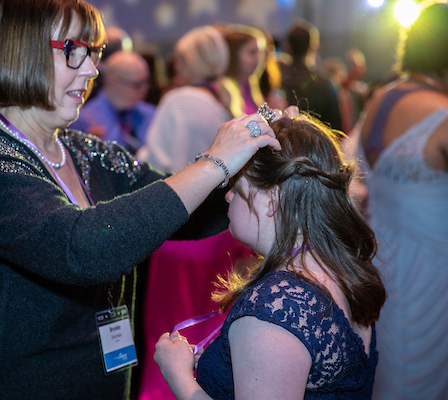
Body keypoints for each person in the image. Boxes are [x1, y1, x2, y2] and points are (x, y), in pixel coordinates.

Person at [0, 1, 281, 398]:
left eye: (94, 52)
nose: (91, 69)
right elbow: (83, 249)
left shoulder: (84, 151)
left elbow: (188, 213)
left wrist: (266, 152)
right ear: (22, 49)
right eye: (73, 50)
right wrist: (215, 162)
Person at [154, 109, 386, 399]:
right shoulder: (341, 270)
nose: (227, 194)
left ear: (273, 200)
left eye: (238, 180)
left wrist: (178, 375)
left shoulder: (278, 307)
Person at [134, 25, 253, 400]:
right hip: (219, 233)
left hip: (180, 233)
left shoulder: (180, 99)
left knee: (171, 330)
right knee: (205, 327)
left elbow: (155, 164)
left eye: (180, 59)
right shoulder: (224, 100)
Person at [354, 3, 448, 399]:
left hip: (384, 262)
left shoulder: (383, 98)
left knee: (391, 368)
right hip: (431, 275)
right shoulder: (440, 116)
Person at [137, 25, 231, 172]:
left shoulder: (180, 101)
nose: (176, 67)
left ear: (191, 61)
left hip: (178, 189)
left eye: (180, 60)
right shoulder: (221, 101)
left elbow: (155, 160)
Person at [69, 50, 155, 154]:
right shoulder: (83, 120)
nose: (144, 89)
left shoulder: (152, 114)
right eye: (137, 84)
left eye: (147, 82)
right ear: (113, 81)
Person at [281, 20, 343, 131]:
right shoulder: (325, 83)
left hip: (285, 145)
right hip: (318, 145)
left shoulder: (277, 80)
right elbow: (336, 128)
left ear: (288, 46)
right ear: (313, 46)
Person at [217, 24, 268, 117]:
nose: (259, 59)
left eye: (261, 52)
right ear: (233, 55)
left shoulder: (250, 84)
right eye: (252, 52)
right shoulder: (221, 89)